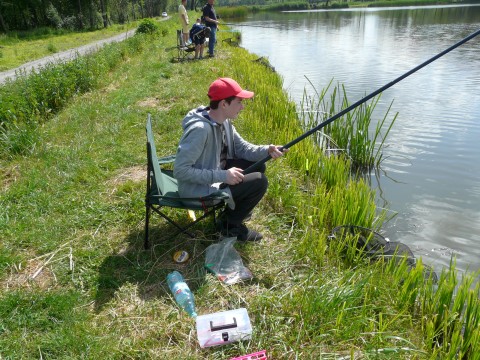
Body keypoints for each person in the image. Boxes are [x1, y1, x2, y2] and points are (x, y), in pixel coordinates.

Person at [173, 78, 287, 241]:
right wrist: (223, 176)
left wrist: (267, 150)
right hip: (198, 191)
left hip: (215, 175)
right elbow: (181, 171)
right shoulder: (200, 130)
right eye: (239, 102)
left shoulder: (224, 122)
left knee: (258, 166)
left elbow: (244, 149)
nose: (242, 107)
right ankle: (229, 226)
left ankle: (232, 215)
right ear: (224, 104)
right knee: (259, 181)